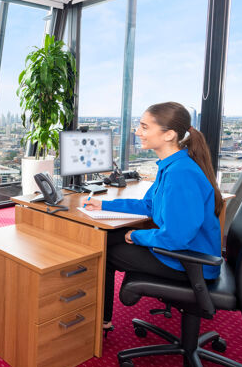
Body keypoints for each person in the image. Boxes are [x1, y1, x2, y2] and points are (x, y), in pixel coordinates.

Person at [84, 102, 222, 337]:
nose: (137, 132)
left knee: (103, 250)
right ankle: (101, 318)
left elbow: (177, 237)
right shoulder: (172, 165)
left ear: (169, 134)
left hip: (190, 261)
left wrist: (136, 235)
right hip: (185, 252)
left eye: (144, 127)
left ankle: (101, 322)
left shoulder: (181, 174)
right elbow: (148, 205)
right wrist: (105, 204)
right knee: (107, 237)